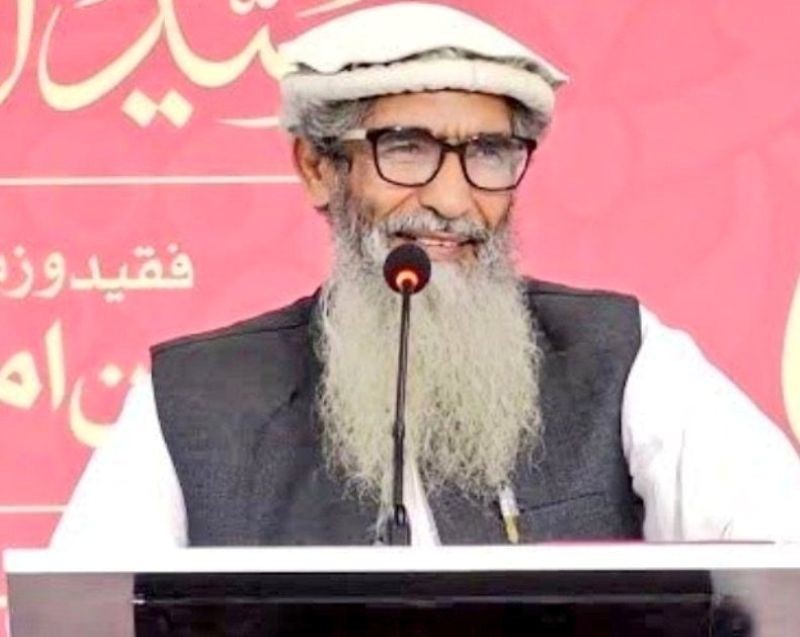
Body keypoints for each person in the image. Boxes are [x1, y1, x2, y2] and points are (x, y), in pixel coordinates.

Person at [51, 2, 800, 549]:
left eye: (489, 154)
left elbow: (782, 563)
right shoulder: (194, 400)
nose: (451, 199)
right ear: (318, 168)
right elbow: (83, 615)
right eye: (406, 149)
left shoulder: (620, 356)